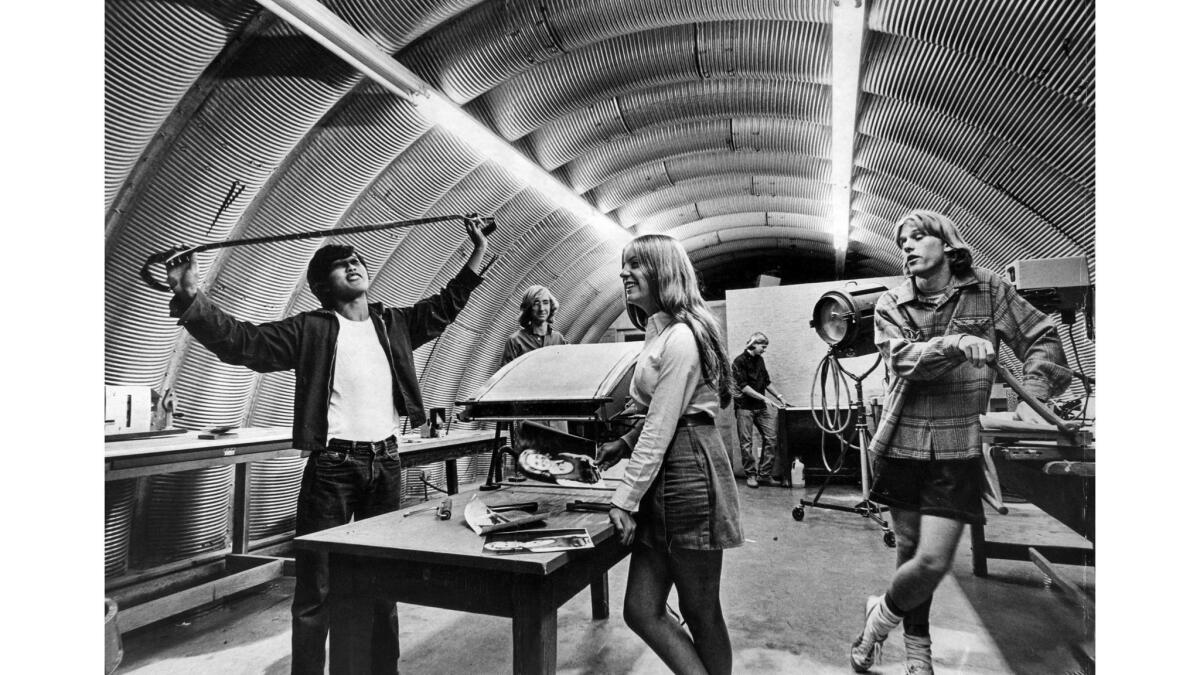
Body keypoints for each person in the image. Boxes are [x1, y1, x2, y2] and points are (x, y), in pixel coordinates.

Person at [164, 217, 490, 675]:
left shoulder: (392, 323)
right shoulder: (310, 329)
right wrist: (189, 296)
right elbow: (243, 344)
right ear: (322, 287)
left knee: (383, 579)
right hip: (333, 468)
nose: (353, 267)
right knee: (316, 587)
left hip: (387, 462)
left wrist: (477, 248)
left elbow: (447, 304)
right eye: (340, 266)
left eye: (356, 260)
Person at [849, 211, 1071, 675]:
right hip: (902, 440)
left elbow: (1043, 336)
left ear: (948, 244)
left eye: (917, 237)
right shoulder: (891, 303)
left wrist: (1037, 390)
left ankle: (879, 619)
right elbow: (906, 362)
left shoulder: (989, 289)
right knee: (910, 551)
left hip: (958, 444)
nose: (906, 246)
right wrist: (953, 344)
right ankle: (917, 651)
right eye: (901, 240)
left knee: (932, 560)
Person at [595, 233, 743, 675]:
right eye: (624, 264)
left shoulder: (681, 337)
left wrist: (623, 497)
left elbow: (663, 426)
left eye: (636, 264)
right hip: (669, 469)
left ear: (664, 271)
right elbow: (660, 411)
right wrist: (623, 443)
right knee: (641, 609)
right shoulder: (658, 333)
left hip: (688, 470)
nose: (624, 273)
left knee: (700, 610)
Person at [731, 331, 790, 487]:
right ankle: (750, 475)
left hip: (760, 407)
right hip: (744, 408)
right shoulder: (739, 362)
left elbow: (766, 382)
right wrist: (765, 398)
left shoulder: (760, 360)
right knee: (746, 443)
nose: (764, 350)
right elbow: (744, 388)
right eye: (763, 346)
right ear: (754, 344)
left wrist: (779, 396)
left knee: (771, 437)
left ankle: (764, 475)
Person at [500, 284, 568, 366]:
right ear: (528, 308)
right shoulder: (515, 341)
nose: (542, 308)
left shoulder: (558, 339)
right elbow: (506, 375)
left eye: (545, 302)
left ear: (551, 307)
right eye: (536, 303)